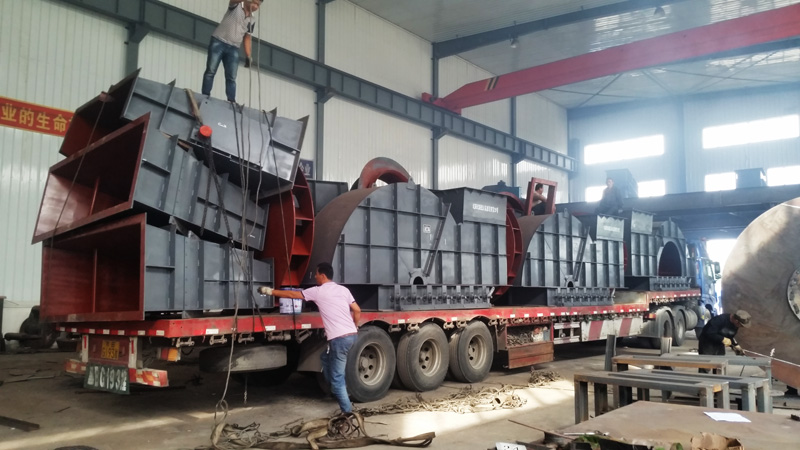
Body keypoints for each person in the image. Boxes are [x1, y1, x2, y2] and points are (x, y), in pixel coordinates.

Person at [258, 262, 361, 413]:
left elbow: (292, 295)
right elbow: (357, 310)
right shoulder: (343, 290)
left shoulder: (318, 291)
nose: (315, 277)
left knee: (337, 377)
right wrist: (354, 327)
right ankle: (337, 389)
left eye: (316, 274)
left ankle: (347, 413)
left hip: (339, 339)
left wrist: (269, 291)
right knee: (325, 358)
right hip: (352, 336)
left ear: (323, 276)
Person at [202, 0, 261, 103]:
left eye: (258, 5)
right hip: (219, 41)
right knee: (211, 71)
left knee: (231, 77)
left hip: (234, 48)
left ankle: (231, 101)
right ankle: (205, 96)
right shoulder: (236, 5)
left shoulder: (252, 19)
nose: (256, 6)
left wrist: (248, 55)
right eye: (254, 3)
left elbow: (247, 37)